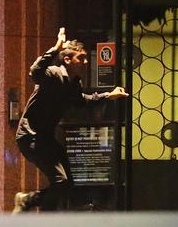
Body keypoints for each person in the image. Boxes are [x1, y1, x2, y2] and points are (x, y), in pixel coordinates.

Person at [13, 27, 128, 213]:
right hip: (31, 137)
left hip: (45, 138)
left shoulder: (73, 83)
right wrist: (56, 47)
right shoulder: (54, 74)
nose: (84, 62)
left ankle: (28, 200)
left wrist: (109, 95)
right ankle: (31, 206)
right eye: (80, 58)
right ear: (67, 60)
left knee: (67, 185)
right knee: (60, 181)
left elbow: (83, 101)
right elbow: (35, 71)